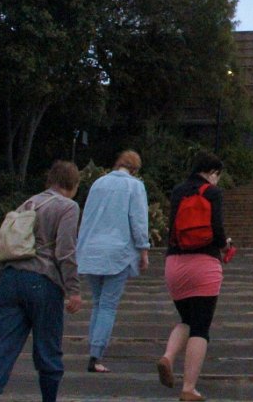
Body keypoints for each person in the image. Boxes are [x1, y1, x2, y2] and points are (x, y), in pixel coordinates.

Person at [0, 161, 83, 402]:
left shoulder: (27, 203)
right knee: (48, 349)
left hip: (10, 277)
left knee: (1, 346)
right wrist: (73, 289)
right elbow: (65, 251)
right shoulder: (67, 207)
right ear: (73, 184)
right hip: (43, 279)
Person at [156, 151, 232, 402]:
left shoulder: (178, 191)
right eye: (217, 175)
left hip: (174, 264)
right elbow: (217, 228)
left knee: (186, 318)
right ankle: (189, 387)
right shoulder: (212, 192)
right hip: (203, 264)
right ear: (212, 172)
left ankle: (168, 356)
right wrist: (225, 245)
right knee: (201, 327)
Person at [77, 149, 151, 373]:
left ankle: (94, 349)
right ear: (135, 169)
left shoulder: (98, 183)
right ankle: (96, 354)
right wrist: (143, 250)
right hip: (117, 251)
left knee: (98, 303)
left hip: (92, 250)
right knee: (108, 305)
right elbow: (138, 220)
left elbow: (88, 216)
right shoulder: (135, 186)